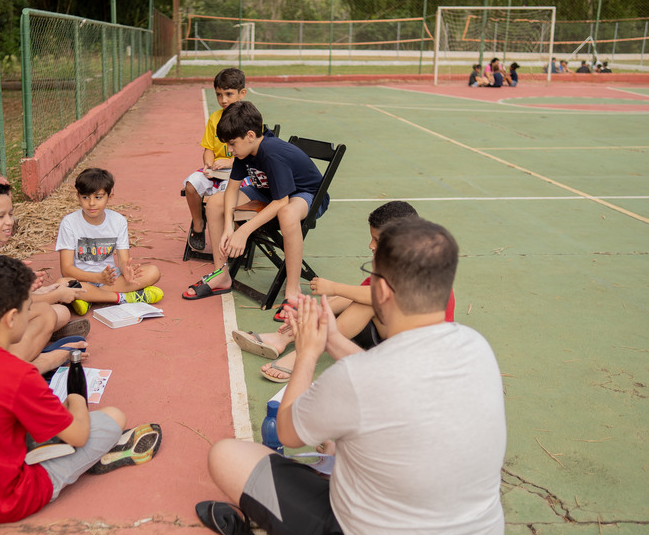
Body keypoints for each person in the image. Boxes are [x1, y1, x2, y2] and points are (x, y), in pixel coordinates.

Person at [199, 218, 507, 535]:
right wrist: (333, 339)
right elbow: (392, 385)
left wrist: (307, 354)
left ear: (381, 290)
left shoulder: (358, 378)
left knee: (225, 455)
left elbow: (289, 432)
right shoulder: (477, 346)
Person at [0, 255, 161, 525]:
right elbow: (79, 435)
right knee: (113, 418)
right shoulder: (16, 374)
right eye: (28, 308)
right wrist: (76, 399)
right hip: (4, 501)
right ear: (12, 318)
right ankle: (92, 458)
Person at [231, 201, 456, 382]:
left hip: (417, 350)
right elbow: (361, 292)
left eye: (377, 240)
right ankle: (286, 336)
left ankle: (302, 354)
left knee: (365, 302)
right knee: (351, 297)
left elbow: (380, 297)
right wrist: (308, 315)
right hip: (391, 333)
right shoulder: (391, 259)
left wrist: (334, 287)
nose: (370, 245)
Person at [182, 100, 327, 320]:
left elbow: (281, 202)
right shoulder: (245, 152)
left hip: (305, 195)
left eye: (232, 144)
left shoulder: (271, 152)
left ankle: (293, 291)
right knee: (215, 202)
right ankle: (222, 274)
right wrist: (229, 228)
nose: (229, 150)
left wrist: (243, 231)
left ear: (250, 135)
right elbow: (232, 189)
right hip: (268, 192)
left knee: (287, 214)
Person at [0, 179, 88, 374]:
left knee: (60, 313)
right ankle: (35, 362)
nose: (9, 221)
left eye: (10, 214)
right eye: (0, 216)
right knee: (49, 312)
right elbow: (14, 303)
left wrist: (45, 289)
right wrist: (58, 295)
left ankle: (36, 343)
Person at [56, 167, 163, 309]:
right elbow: (66, 269)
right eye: (85, 197)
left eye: (98, 197)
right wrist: (97, 278)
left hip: (110, 279)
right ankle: (123, 298)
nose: (91, 203)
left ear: (109, 196)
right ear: (78, 196)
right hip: (82, 278)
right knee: (61, 284)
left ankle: (89, 297)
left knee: (153, 272)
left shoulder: (118, 221)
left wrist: (126, 270)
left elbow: (123, 260)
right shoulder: (69, 222)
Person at [185, 68, 246, 252]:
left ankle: (235, 235)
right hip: (216, 171)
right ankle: (198, 225)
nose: (223, 100)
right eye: (219, 95)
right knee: (191, 185)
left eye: (229, 94)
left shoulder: (249, 118)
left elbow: (252, 155)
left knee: (227, 197)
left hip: (239, 171)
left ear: (242, 93)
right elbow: (208, 149)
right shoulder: (214, 118)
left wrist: (230, 162)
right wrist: (208, 164)